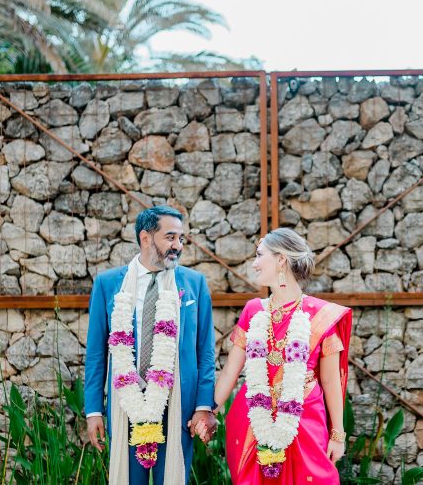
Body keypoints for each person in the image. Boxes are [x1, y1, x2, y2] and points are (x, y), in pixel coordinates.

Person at [195, 227, 352, 483]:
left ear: (281, 260)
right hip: (253, 423)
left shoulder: (320, 315)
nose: (254, 264)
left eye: (259, 255)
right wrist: (207, 410)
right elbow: (230, 373)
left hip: (305, 420)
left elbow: (331, 381)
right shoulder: (254, 310)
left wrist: (337, 435)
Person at [84, 205, 218, 485]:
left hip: (179, 404)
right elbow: (96, 353)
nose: (177, 246)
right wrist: (94, 410)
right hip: (126, 404)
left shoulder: (193, 284)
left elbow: (205, 351)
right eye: (170, 237)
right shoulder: (108, 284)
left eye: (181, 239)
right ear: (146, 238)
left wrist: (204, 405)